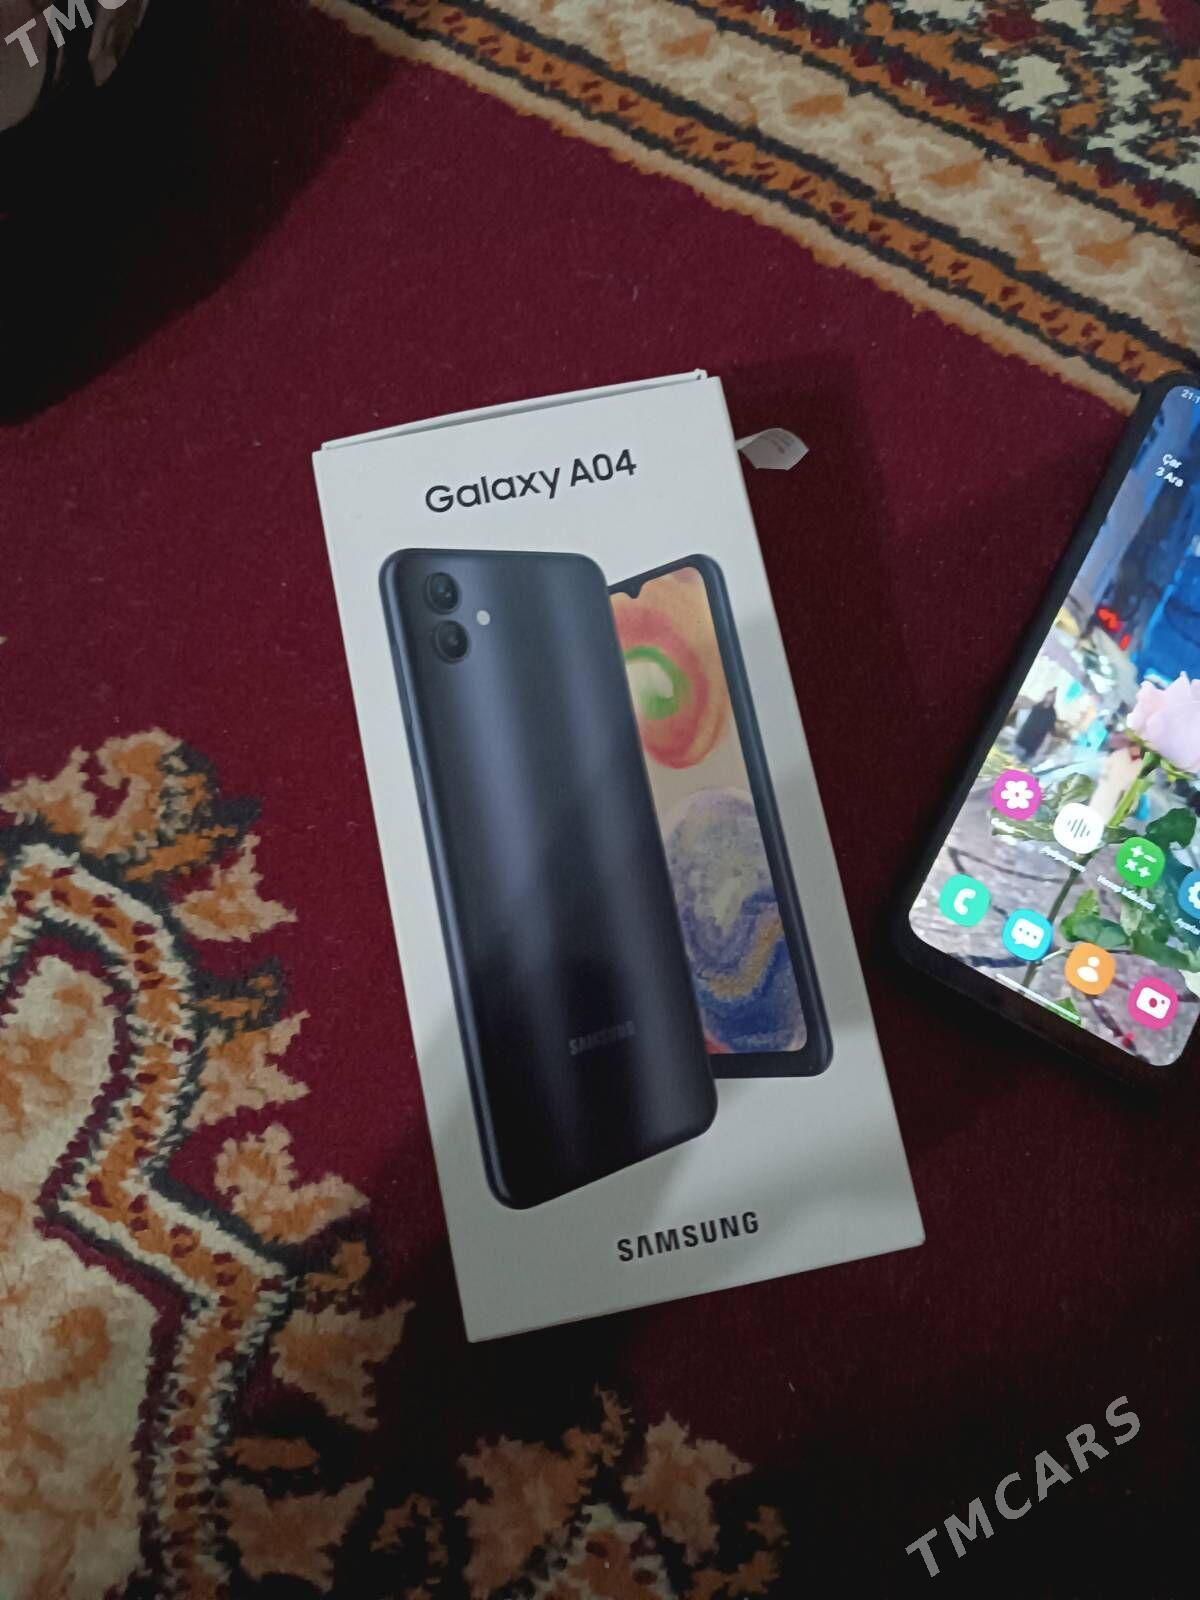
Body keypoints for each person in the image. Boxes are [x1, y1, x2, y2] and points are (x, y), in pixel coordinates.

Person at [1015, 689, 1057, 763]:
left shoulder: (1052, 713)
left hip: (1034, 743)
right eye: (1048, 695)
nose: (1049, 697)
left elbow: (1050, 730)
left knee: (1022, 763)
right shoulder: (1037, 706)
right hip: (1023, 737)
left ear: (1053, 699)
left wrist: (1044, 747)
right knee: (1012, 759)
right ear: (1045, 695)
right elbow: (1028, 719)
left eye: (1051, 696)